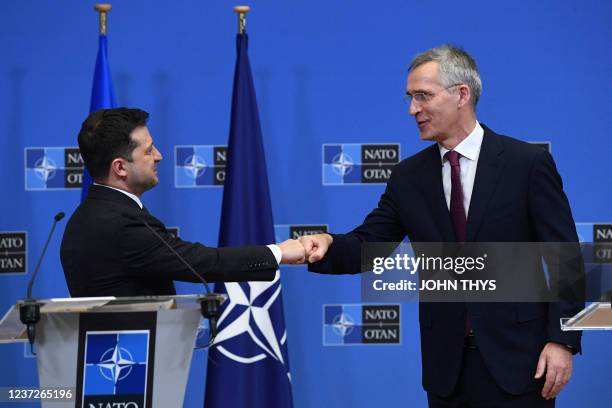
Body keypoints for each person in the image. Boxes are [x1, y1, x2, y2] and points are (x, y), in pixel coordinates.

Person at [299, 45, 583, 407]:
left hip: (521, 364)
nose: (413, 109)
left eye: (423, 96)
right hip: (446, 370)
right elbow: (370, 244)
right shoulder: (408, 177)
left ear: (461, 94)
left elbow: (566, 257)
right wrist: (324, 245)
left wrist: (563, 341)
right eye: (410, 98)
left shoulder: (526, 163)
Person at [60, 108, 305, 297]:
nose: (159, 156)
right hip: (131, 359)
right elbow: (204, 263)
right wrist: (278, 252)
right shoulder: (121, 225)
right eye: (148, 151)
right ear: (120, 167)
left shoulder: (83, 218)